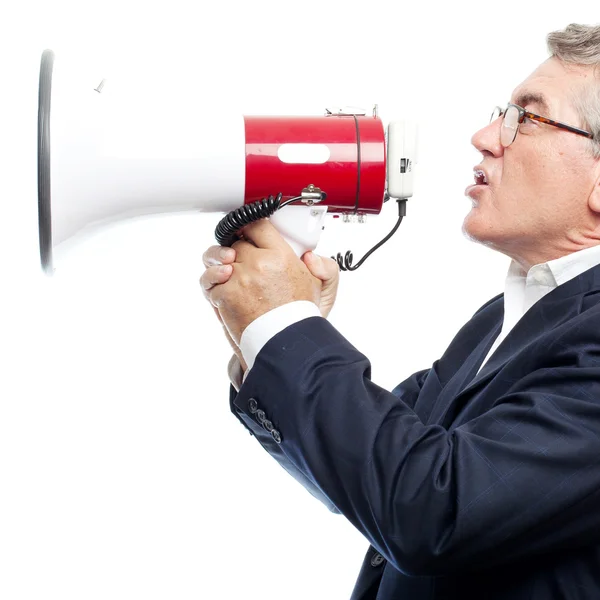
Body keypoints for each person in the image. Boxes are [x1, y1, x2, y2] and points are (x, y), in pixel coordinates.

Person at [200, 23, 600, 600]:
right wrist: (261, 335)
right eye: (501, 113)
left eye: (527, 119)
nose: (485, 137)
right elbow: (378, 472)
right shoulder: (509, 314)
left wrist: (287, 325)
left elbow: (431, 512)